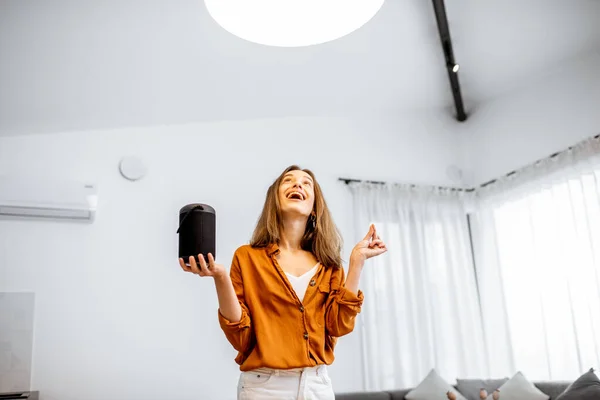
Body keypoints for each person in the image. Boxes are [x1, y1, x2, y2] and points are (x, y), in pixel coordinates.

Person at [179, 165, 387, 400]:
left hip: (317, 385)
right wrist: (220, 277)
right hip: (264, 387)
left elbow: (338, 325)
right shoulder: (247, 257)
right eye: (288, 181)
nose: (298, 184)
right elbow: (240, 337)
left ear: (314, 208)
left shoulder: (330, 265)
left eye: (306, 182)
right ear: (274, 201)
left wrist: (357, 261)